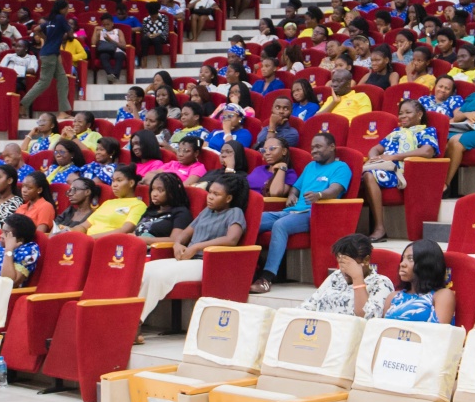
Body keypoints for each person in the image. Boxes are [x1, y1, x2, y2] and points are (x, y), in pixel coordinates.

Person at [135, 171, 250, 323]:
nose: (210, 196)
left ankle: (136, 322)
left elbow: (232, 239)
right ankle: (129, 318)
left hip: (208, 262)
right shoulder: (207, 212)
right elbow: (185, 233)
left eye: (216, 194)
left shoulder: (235, 212)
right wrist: (177, 244)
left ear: (228, 198)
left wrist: (196, 247)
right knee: (144, 270)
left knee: (159, 276)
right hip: (189, 259)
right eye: (210, 192)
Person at [253, 132, 352, 290]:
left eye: (318, 146)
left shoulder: (341, 167)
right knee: (254, 220)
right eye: (312, 147)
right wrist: (292, 195)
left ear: (332, 147)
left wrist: (319, 195)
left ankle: (266, 278)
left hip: (315, 213)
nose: (313, 151)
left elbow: (335, 190)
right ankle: (251, 268)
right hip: (292, 211)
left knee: (281, 225)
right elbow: (296, 188)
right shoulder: (310, 166)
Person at [359, 98, 440, 241]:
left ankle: (379, 228)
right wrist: (373, 158)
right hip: (383, 167)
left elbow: (427, 151)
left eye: (408, 112)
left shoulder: (426, 131)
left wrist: (395, 157)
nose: (403, 116)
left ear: (419, 114)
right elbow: (375, 148)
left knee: (368, 175)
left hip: (402, 172)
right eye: (401, 113)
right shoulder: (396, 132)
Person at [301, 233, 396, 318]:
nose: (344, 269)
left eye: (349, 264)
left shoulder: (381, 283)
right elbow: (309, 305)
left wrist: (357, 278)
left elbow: (368, 318)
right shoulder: (337, 276)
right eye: (341, 262)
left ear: (366, 260)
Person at [21, 0, 75, 115]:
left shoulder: (51, 19)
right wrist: (69, 33)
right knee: (44, 82)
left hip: (50, 53)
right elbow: (70, 33)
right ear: (62, 9)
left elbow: (36, 29)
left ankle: (63, 112)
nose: (68, 10)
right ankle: (23, 104)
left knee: (62, 80)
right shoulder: (60, 18)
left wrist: (46, 39)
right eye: (67, 8)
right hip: (50, 55)